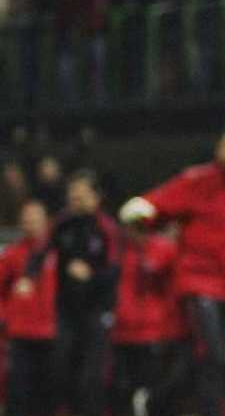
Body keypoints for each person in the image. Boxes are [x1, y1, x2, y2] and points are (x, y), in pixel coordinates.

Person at [118, 130, 225, 416]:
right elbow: (149, 208)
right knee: (214, 355)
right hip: (201, 284)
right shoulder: (198, 182)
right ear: (218, 151)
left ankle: (156, 400)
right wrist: (140, 218)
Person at [50, 169, 120, 416]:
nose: (75, 200)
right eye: (72, 195)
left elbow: (115, 270)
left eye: (80, 195)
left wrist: (91, 277)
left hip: (96, 310)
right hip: (66, 310)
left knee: (91, 376)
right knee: (61, 368)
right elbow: (45, 255)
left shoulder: (106, 227)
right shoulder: (62, 224)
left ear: (95, 197)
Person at [110, 227, 188, 416]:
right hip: (123, 332)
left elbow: (176, 289)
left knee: (157, 388)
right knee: (124, 389)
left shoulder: (165, 250)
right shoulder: (119, 250)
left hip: (155, 331)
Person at [0, 199, 58, 416]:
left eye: (34, 220)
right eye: (26, 221)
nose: (30, 225)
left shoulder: (59, 253)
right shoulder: (12, 254)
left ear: (46, 222)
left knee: (48, 394)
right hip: (20, 334)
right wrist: (6, 317)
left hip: (53, 333)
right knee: (18, 393)